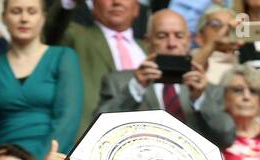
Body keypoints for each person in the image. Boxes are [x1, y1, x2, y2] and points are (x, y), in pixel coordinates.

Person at [94, 8, 235, 150]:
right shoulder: (120, 82)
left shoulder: (209, 90)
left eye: (179, 36)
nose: (171, 44)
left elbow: (226, 137)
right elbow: (97, 130)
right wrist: (136, 88)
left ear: (188, 41)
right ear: (148, 41)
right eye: (162, 36)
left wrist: (200, 99)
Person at [0, 0, 82, 160]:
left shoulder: (63, 57)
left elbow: (68, 119)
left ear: (43, 18)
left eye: (32, 12)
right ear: (3, 18)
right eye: (16, 11)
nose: (24, 18)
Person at [45, 0, 148, 133]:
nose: (116, 2)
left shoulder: (151, 49)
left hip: (146, 138)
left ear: (137, 8)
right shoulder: (75, 37)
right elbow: (51, 31)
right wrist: (68, 3)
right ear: (93, 5)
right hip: (90, 134)